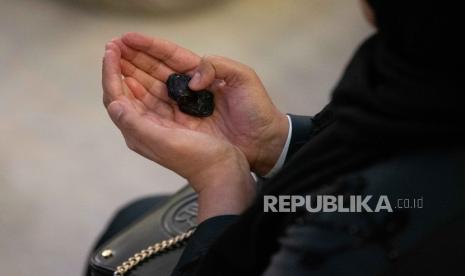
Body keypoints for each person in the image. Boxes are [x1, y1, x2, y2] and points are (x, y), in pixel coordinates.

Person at [92, 0, 465, 275]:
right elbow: (357, 149)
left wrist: (224, 186)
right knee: (134, 214)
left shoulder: (359, 233)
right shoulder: (422, 75)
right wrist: (274, 143)